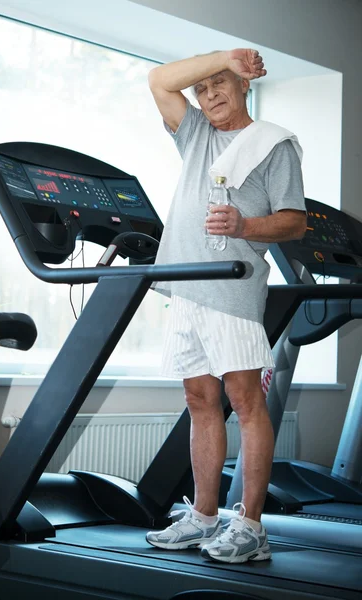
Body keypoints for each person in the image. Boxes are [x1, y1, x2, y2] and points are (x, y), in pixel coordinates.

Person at [145, 48, 307, 563]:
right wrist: (222, 58)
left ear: (243, 86)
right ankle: (204, 517)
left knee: (244, 400)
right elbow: (159, 80)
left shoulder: (271, 144)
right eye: (203, 88)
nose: (210, 94)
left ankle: (252, 527)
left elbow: (294, 221)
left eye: (222, 84)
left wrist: (244, 226)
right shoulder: (196, 137)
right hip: (188, 287)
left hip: (233, 291)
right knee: (198, 400)